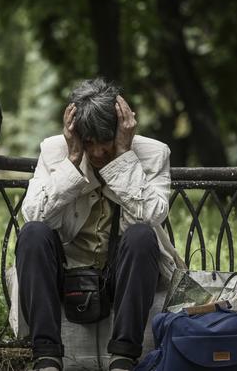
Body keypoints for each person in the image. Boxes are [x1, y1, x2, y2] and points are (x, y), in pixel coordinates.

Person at [16, 78, 185, 371]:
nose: (96, 153)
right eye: (88, 142)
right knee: (32, 233)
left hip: (122, 273)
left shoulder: (154, 153)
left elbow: (152, 215)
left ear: (122, 129)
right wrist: (71, 162)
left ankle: (123, 358)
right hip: (67, 270)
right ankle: (46, 357)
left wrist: (121, 158)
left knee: (142, 235)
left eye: (104, 141)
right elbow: (34, 214)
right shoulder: (55, 150)